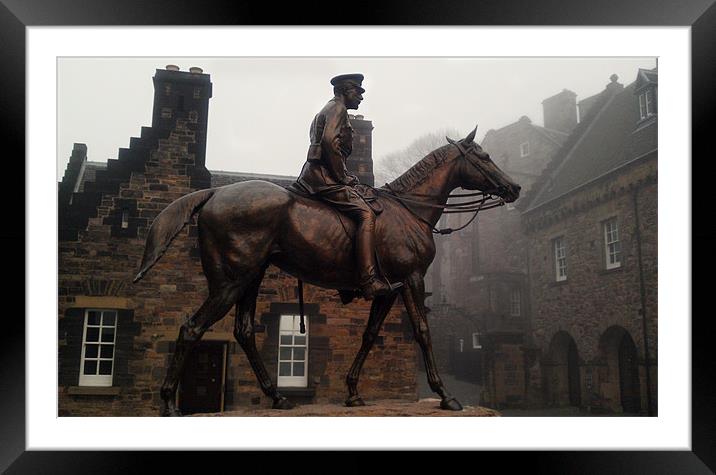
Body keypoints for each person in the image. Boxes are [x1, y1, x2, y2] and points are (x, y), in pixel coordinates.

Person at [291, 73, 401, 300]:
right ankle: (369, 281)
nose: (360, 97)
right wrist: (343, 177)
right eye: (357, 92)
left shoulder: (329, 110)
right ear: (343, 91)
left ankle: (346, 281)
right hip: (324, 178)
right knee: (366, 214)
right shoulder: (337, 109)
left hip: (318, 175)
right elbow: (330, 145)